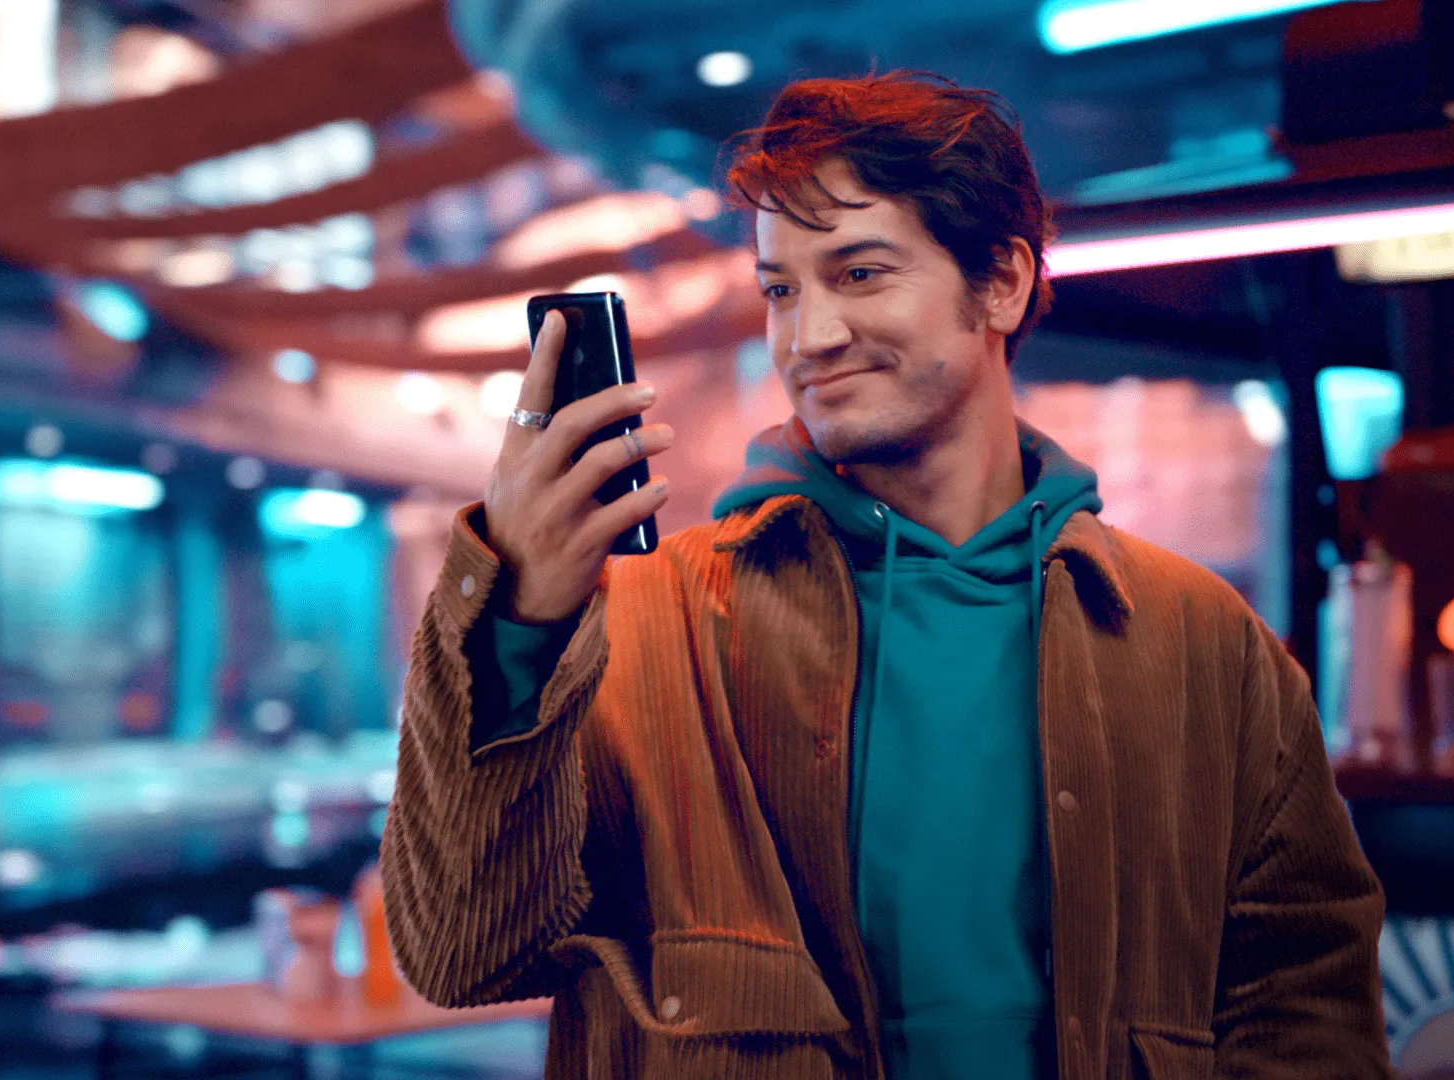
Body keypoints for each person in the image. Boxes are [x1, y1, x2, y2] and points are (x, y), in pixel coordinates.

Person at [381, 72, 1391, 1079]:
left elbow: (1302, 1011)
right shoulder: (647, 630)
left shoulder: (1202, 644)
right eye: (782, 288)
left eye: (859, 274)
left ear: (999, 281)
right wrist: (518, 614)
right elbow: (464, 956)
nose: (808, 337)